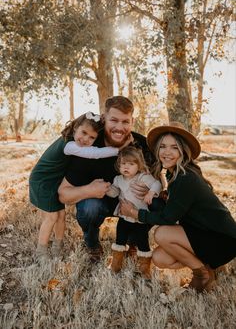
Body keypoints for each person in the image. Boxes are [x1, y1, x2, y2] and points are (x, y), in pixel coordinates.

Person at [120, 121, 236, 292]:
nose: (167, 152)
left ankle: (201, 274)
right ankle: (209, 268)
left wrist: (135, 213)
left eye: (174, 147)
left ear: (183, 151)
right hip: (203, 235)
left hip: (223, 240)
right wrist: (158, 195)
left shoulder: (185, 177)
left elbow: (168, 218)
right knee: (160, 258)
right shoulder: (175, 173)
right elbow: (178, 206)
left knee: (162, 233)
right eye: (163, 147)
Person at [58, 96, 154, 262]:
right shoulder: (88, 145)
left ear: (133, 121)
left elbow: (161, 181)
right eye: (114, 120)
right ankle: (92, 241)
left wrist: (151, 190)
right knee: (90, 207)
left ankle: (133, 240)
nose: (119, 127)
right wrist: (88, 190)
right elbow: (63, 194)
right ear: (104, 119)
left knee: (156, 203)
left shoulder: (143, 145)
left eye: (125, 122)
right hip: (99, 200)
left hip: (132, 202)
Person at [29, 112, 125, 262]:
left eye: (92, 137)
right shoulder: (69, 145)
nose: (85, 139)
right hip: (43, 181)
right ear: (75, 128)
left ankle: (57, 246)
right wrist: (119, 150)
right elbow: (94, 153)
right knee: (52, 216)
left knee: (61, 215)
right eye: (84, 132)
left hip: (54, 180)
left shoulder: (73, 142)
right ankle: (41, 250)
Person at [106, 146, 162, 279]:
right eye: (123, 164)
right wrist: (106, 189)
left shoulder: (143, 177)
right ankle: (116, 265)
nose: (126, 167)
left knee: (142, 242)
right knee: (119, 239)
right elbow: (114, 193)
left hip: (139, 218)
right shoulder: (118, 179)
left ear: (139, 165)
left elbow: (157, 184)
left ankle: (144, 269)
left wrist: (151, 192)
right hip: (124, 217)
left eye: (131, 164)